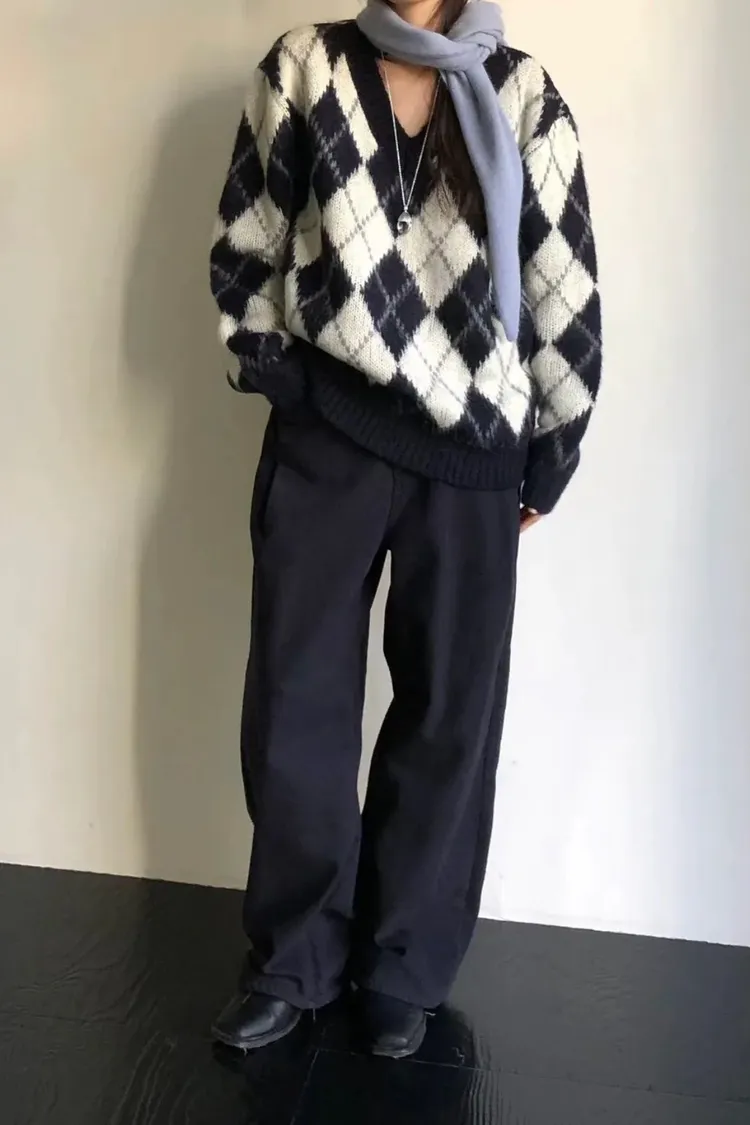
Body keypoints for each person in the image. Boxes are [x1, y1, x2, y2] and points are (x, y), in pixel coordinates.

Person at [208, 0, 601, 1059]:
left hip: (472, 460)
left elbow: (561, 274)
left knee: (448, 721)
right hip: (328, 440)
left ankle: (402, 968)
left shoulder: (524, 94)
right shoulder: (304, 66)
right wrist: (282, 377)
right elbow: (247, 241)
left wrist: (554, 445)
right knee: (296, 705)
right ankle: (294, 958)